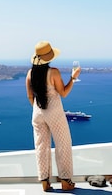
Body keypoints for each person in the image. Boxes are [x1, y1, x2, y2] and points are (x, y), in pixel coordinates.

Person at [25, 41, 81, 192]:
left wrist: (40, 110)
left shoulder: (30, 74)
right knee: (63, 144)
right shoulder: (53, 72)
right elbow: (63, 93)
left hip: (37, 113)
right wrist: (73, 78)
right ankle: (65, 182)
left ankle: (45, 182)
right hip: (54, 113)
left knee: (41, 147)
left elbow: (30, 97)